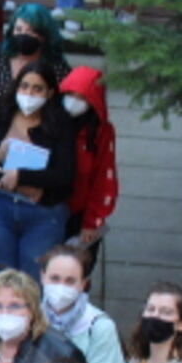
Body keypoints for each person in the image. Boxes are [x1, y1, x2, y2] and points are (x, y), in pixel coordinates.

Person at [0, 61, 77, 274]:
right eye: (24, 86)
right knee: (4, 274)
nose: (29, 94)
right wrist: (5, 177)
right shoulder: (1, 117)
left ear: (49, 93)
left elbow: (64, 175)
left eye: (37, 89)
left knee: (34, 276)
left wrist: (21, 176)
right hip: (2, 207)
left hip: (43, 213)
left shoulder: (60, 124)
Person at [0, 2, 70, 161]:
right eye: (19, 30)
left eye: (31, 31)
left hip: (32, 150)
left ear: (44, 35)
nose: (23, 35)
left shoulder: (57, 68)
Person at [39, 243, 124, 363]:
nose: (61, 286)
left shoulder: (99, 327)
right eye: (54, 278)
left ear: (83, 283)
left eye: (70, 281)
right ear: (42, 277)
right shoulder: (30, 318)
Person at [60, 65, 119, 252]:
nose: (74, 102)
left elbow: (103, 179)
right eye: (71, 95)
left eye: (82, 97)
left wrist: (92, 222)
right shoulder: (50, 121)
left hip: (78, 215)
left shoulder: (101, 133)